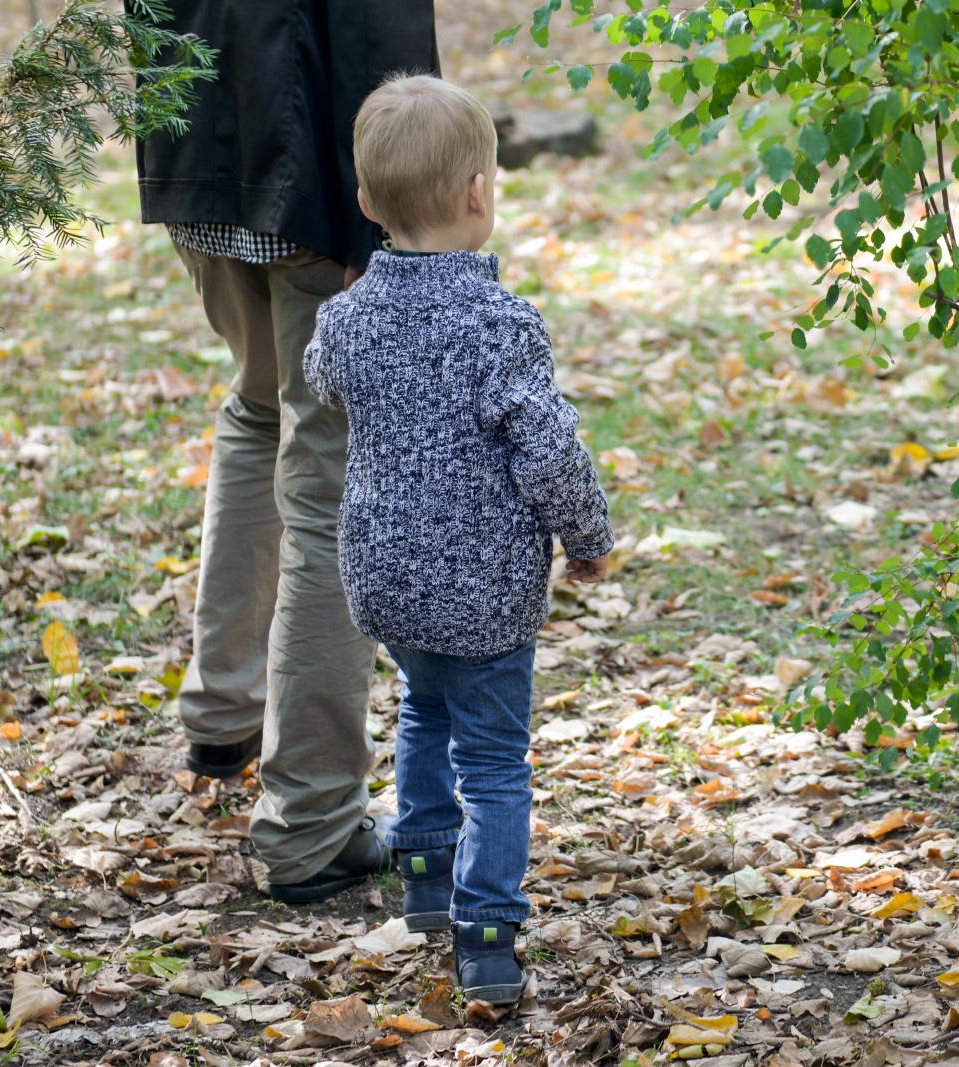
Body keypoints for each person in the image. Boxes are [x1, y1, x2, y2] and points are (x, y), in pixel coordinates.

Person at [304, 76, 613, 1006]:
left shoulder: (346, 318)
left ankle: (427, 882)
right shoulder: (500, 323)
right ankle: (486, 934)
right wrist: (587, 536)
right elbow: (549, 448)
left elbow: (323, 382)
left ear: (366, 204)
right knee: (490, 757)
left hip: (384, 579)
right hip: (483, 589)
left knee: (424, 714)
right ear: (480, 193)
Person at [131, 2, 439, 904]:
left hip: (201, 156)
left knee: (258, 408)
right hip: (309, 183)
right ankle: (310, 819)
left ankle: (224, 711)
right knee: (326, 478)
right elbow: (376, 25)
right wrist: (380, 218)